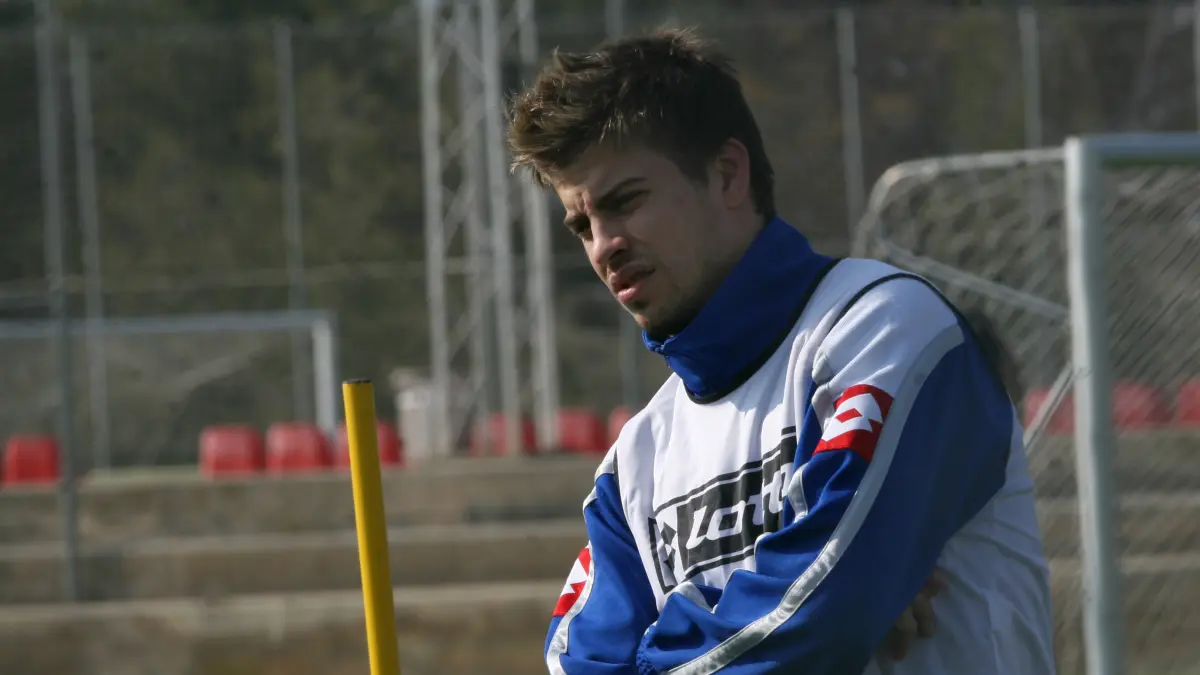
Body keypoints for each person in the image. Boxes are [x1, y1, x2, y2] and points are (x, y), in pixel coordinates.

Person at [507, 27, 1055, 675]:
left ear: (727, 174)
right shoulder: (633, 464)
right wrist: (785, 612)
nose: (604, 245)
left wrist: (803, 612)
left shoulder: (885, 330)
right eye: (582, 225)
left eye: (625, 202)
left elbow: (823, 609)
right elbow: (589, 661)